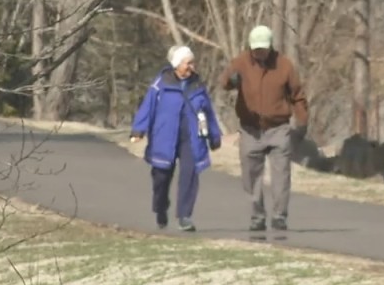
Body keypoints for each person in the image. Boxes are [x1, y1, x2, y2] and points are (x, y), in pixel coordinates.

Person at [218, 25, 309, 232]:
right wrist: (231, 80)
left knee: (281, 175)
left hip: (278, 128)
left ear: (270, 46)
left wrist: (302, 123)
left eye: (263, 48)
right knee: (251, 175)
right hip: (250, 129)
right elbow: (224, 83)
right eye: (256, 48)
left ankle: (279, 216)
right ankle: (257, 216)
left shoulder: (284, 65)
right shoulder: (240, 62)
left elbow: (298, 96)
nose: (259, 52)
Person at [130, 45, 222, 232]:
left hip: (191, 138)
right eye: (188, 63)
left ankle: (184, 216)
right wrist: (138, 130)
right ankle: (160, 208)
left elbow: (208, 112)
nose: (191, 67)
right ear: (177, 64)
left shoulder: (198, 85)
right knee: (161, 178)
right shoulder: (161, 84)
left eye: (192, 63)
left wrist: (214, 135)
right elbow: (148, 107)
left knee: (190, 175)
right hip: (164, 137)